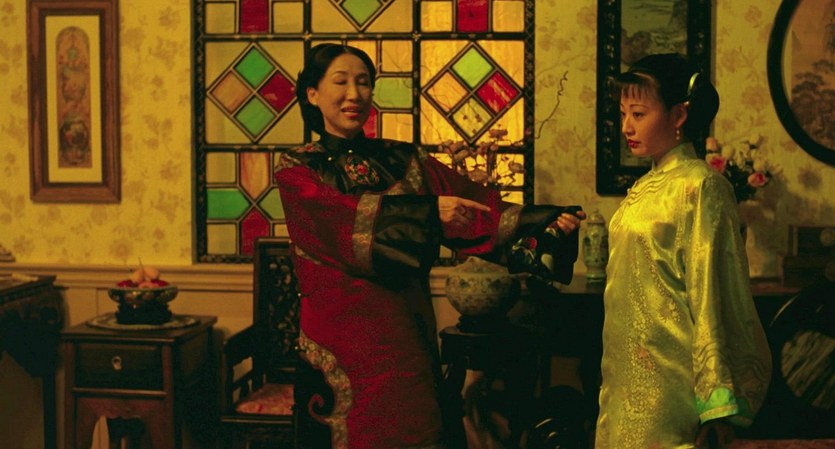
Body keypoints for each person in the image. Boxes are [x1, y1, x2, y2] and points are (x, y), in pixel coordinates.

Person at [273, 43, 586, 449]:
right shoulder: (297, 169)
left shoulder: (403, 159)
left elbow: (475, 204)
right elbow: (339, 222)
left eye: (364, 82)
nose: (354, 94)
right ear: (312, 94)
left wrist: (545, 222)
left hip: (404, 328)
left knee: (417, 429)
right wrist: (429, 213)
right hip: (340, 338)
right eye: (341, 81)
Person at [594, 53, 772, 449]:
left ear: (679, 115)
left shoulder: (701, 186)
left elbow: (712, 293)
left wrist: (716, 403)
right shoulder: (645, 187)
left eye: (638, 114)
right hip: (625, 376)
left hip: (670, 384)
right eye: (623, 114)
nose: (626, 127)